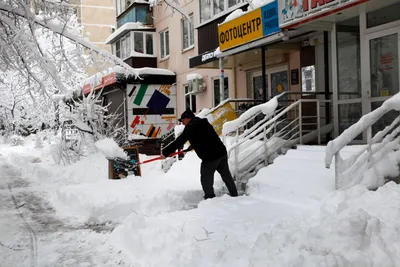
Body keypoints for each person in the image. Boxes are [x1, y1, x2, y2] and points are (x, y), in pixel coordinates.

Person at [161, 109, 238, 199]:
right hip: (221, 153)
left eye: (182, 120)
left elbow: (179, 141)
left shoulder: (190, 127)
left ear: (188, 118)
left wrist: (165, 153)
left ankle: (210, 199)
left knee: (206, 179)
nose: (182, 123)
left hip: (210, 157)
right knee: (226, 176)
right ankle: (235, 195)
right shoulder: (203, 122)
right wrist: (193, 145)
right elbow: (204, 137)